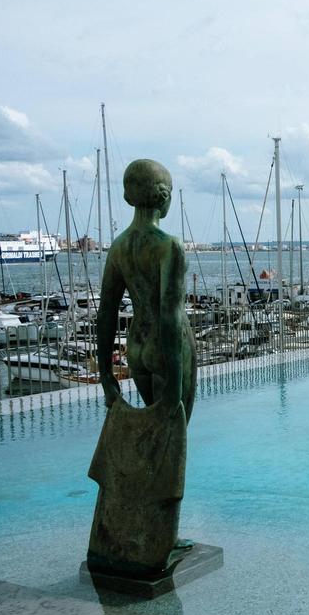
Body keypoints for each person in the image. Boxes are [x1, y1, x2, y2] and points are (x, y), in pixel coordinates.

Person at [98, 159, 196, 421]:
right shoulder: (169, 246)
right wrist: (174, 383)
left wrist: (106, 375)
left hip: (137, 347)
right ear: (163, 195)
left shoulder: (118, 246)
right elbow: (170, 314)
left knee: (156, 431)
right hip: (165, 349)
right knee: (174, 432)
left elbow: (106, 312)